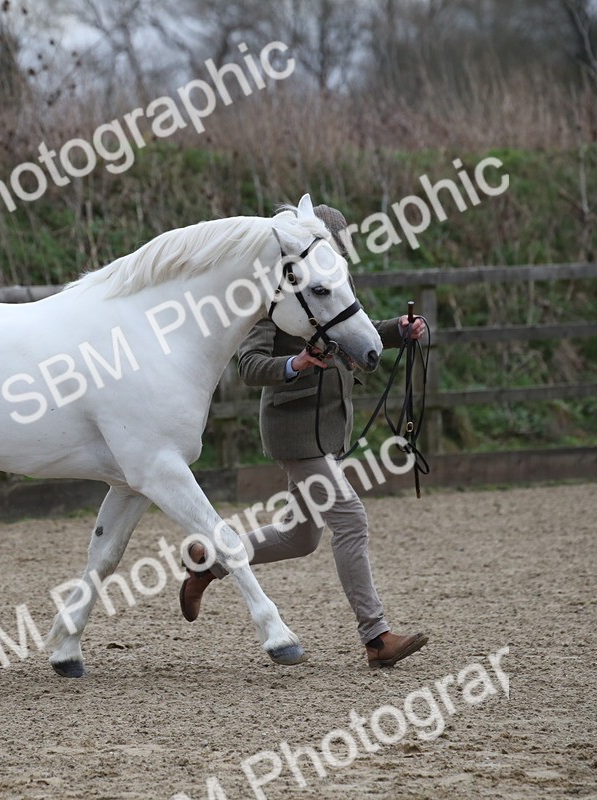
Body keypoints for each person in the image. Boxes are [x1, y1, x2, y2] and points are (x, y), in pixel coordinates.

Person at [179, 205, 429, 668]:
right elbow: (249, 366)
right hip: (294, 431)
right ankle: (376, 638)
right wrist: (295, 365)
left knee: (299, 538)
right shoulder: (271, 295)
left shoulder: (330, 284)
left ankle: (209, 563)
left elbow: (356, 331)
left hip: (330, 428)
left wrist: (399, 330)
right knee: (350, 519)